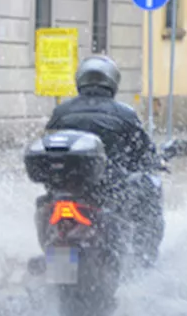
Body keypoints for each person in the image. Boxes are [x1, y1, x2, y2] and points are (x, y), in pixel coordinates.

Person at [45, 55, 164, 266]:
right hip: (108, 189)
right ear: (112, 82)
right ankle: (144, 259)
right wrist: (154, 161)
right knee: (149, 192)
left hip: (66, 187)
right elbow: (144, 152)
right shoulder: (125, 114)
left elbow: (48, 143)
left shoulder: (61, 111)